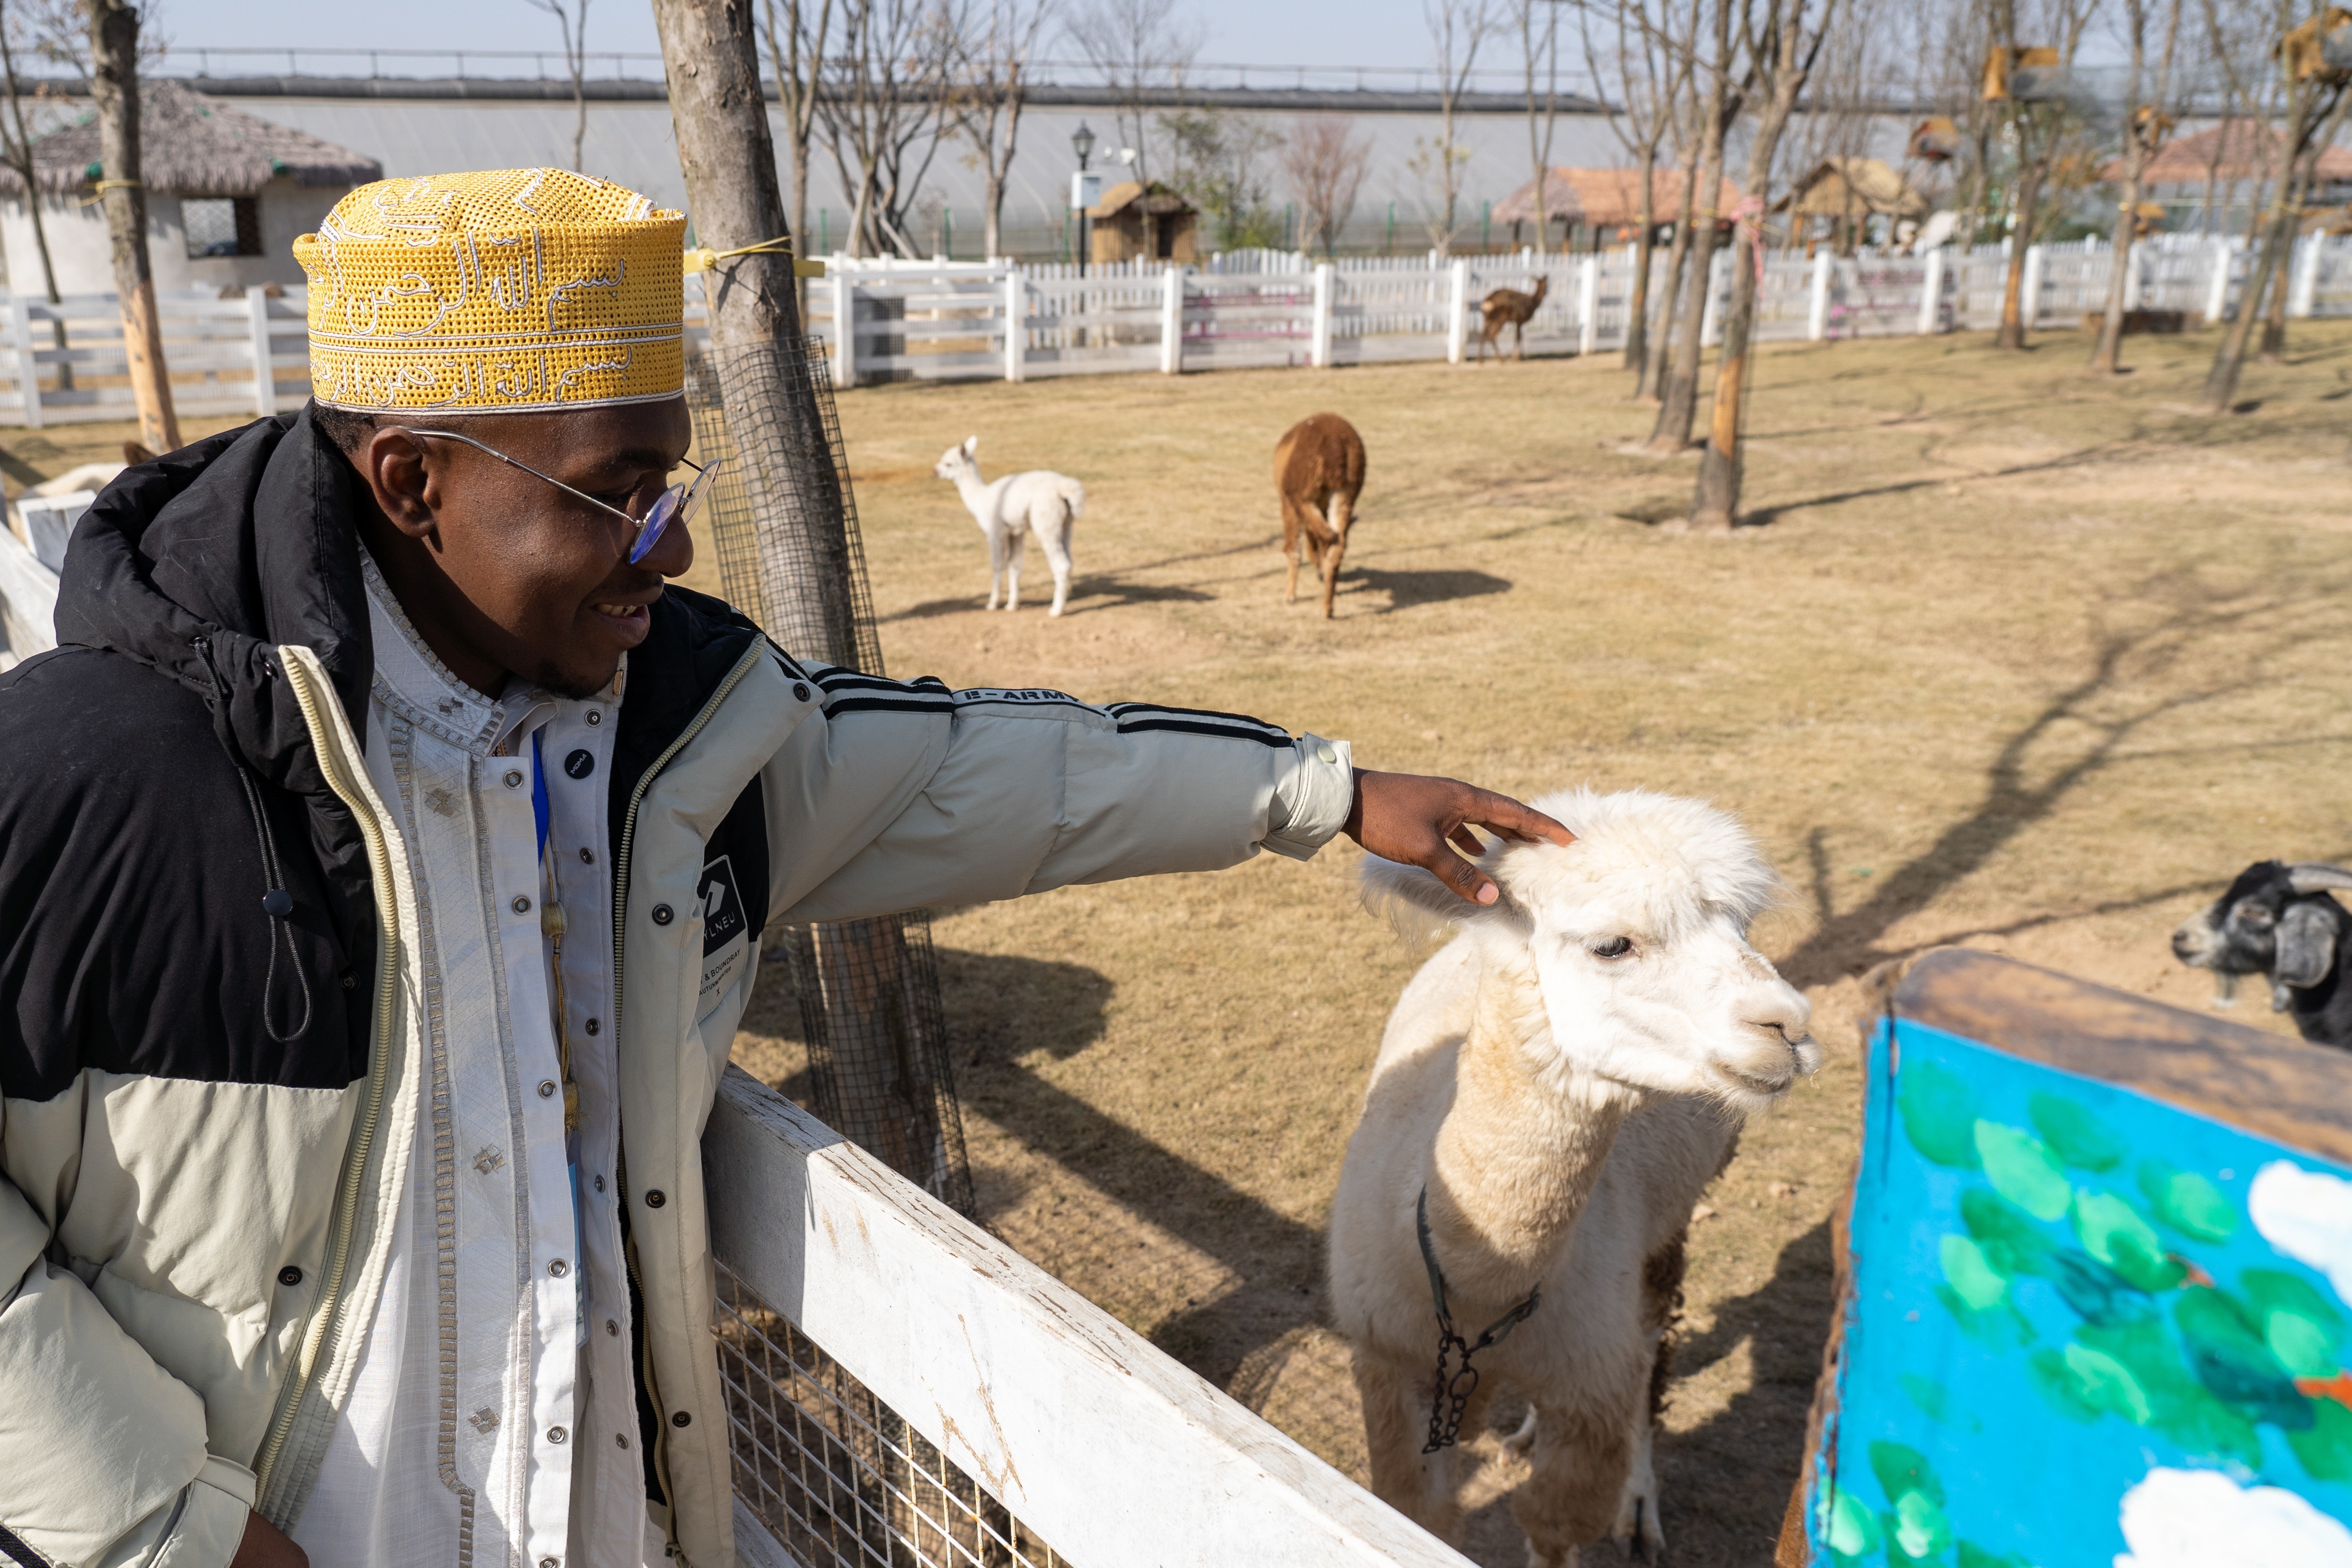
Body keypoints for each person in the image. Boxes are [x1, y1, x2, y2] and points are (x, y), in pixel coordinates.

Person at [0, 168, 1566, 1568]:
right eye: (617, 495)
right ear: (413, 481)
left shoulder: (681, 734)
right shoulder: (100, 774)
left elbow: (991, 769)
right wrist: (173, 1530)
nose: (670, 548)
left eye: (671, 485)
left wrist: (1328, 791)